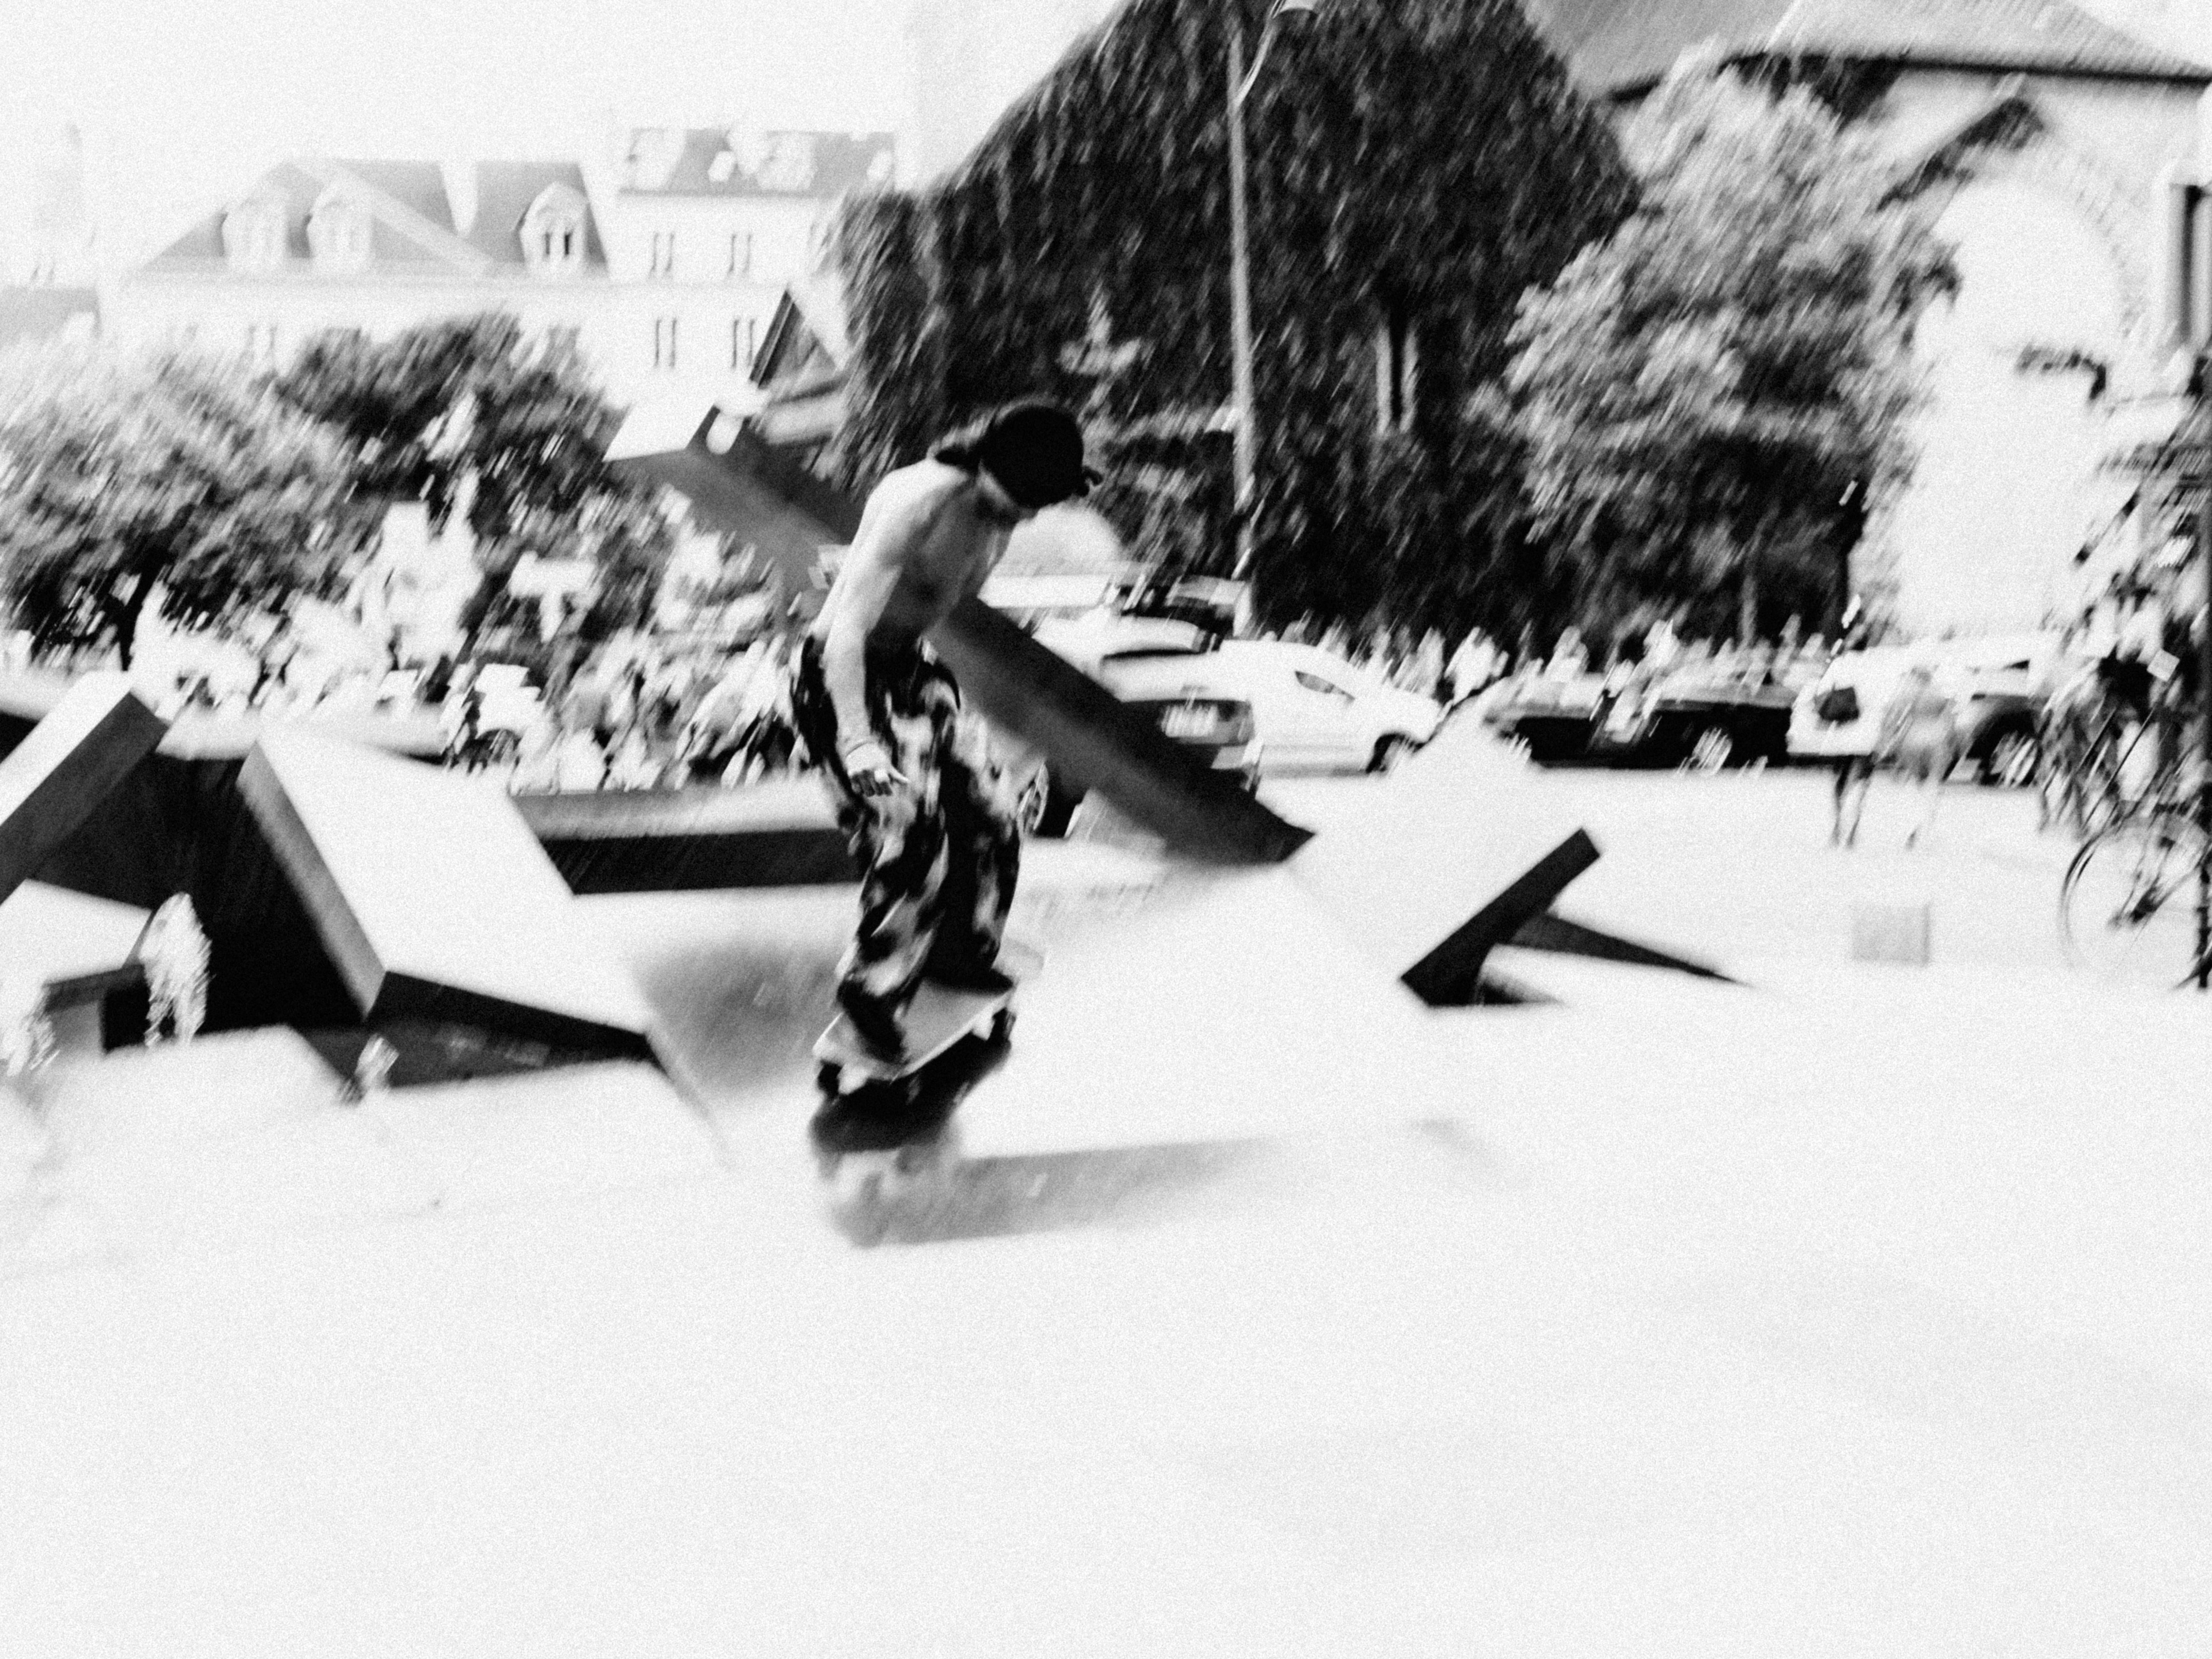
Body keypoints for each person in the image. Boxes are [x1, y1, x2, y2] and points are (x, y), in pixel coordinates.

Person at [789, 399, 1099, 1061]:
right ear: (988, 466)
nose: (1026, 517)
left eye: (1038, 505)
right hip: (844, 678)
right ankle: (872, 991)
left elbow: (941, 612)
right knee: (913, 834)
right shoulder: (921, 502)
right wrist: (857, 741)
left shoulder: (998, 511)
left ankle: (962, 954)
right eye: (1021, 501)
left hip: (914, 674)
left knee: (991, 816)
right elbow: (846, 631)